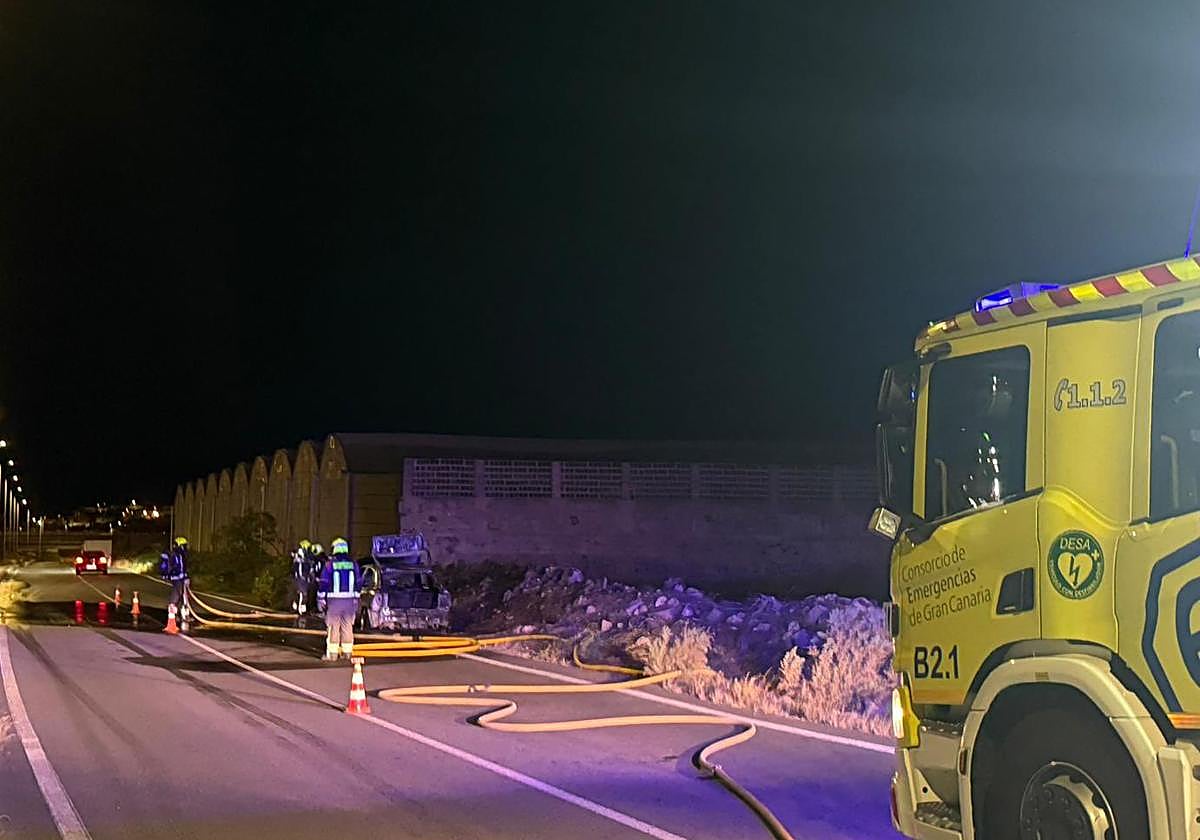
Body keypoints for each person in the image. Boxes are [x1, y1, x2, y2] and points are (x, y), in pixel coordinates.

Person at [317, 537, 360, 661]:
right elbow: (358, 582)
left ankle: (332, 655)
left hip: (334, 601)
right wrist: (356, 599)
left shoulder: (330, 565)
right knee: (347, 626)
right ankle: (347, 654)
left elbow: (324, 582)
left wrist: (321, 598)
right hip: (350, 601)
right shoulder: (354, 564)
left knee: (333, 627)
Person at [160, 536, 189, 628]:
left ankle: (179, 614)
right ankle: (173, 616)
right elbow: (180, 568)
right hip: (178, 578)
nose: (185, 547)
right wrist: (185, 576)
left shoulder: (175, 554)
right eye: (184, 545)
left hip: (175, 577)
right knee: (176, 595)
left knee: (180, 595)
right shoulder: (179, 555)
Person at [290, 538, 313, 614]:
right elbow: (301, 569)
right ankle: (301, 610)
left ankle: (296, 608)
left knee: (299, 594)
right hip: (301, 579)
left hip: (299, 578)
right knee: (303, 594)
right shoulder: (301, 558)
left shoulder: (299, 557)